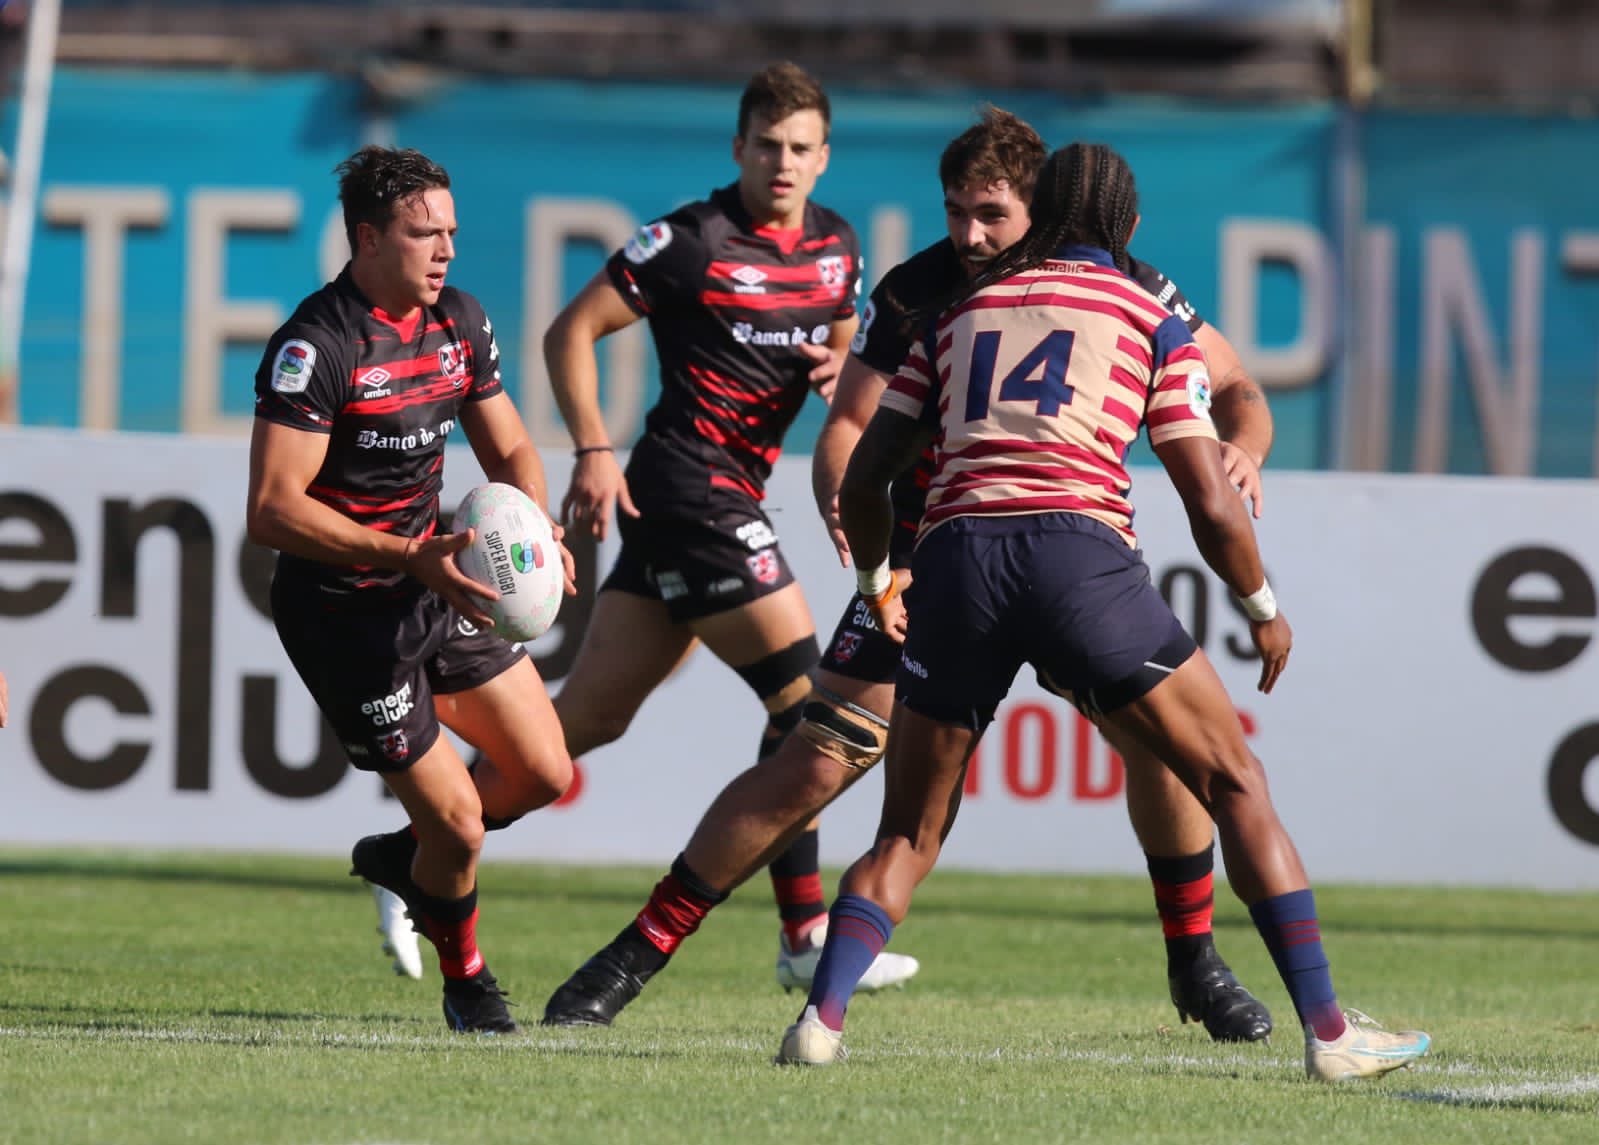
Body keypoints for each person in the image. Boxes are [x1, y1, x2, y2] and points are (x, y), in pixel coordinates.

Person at [542, 109, 1271, 1042]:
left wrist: (1241, 446)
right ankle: (633, 954)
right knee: (815, 756)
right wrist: (870, 563)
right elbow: (845, 432)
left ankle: (1196, 964)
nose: (966, 235)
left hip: (1066, 561)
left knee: (1160, 751)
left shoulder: (1120, 281)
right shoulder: (917, 289)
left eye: (991, 215)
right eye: (954, 211)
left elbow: (1239, 386)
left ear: (1038, 209)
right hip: (933, 570)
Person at [774, 142, 1431, 1084]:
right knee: (1234, 778)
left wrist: (881, 578)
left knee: (907, 836)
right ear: (1126, 227)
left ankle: (820, 1017)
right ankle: (1328, 1031)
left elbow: (870, 471)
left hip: (954, 563)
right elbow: (1207, 496)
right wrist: (1261, 606)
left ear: (1040, 217)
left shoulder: (955, 311)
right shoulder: (1145, 312)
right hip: (1074, 557)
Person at [503, 60, 917, 1016]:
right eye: (765, 144)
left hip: (713, 502)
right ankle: (805, 936)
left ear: (823, 158)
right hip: (688, 487)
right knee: (814, 704)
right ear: (737, 148)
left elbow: (845, 338)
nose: (782, 162)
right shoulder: (690, 240)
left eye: (799, 148)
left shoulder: (838, 249)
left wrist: (838, 365)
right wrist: (593, 448)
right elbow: (570, 332)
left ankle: (426, 847)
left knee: (583, 723)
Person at [247, 145, 576, 1034]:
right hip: (346, 614)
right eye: (423, 234)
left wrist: (537, 531)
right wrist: (408, 554)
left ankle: (405, 857)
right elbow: (272, 511)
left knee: (544, 772)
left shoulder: (459, 321)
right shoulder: (316, 346)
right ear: (366, 239)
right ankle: (467, 982)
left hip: (437, 581)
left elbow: (510, 452)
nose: (445, 252)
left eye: (451, 233)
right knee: (462, 825)